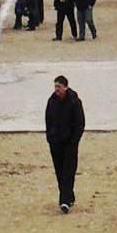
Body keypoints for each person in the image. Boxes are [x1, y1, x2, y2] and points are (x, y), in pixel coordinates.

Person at [45, 75, 85, 213]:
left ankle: (64, 201)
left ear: (65, 87)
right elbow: (48, 120)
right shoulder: (51, 101)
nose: (56, 89)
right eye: (55, 86)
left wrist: (74, 141)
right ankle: (69, 195)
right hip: (55, 142)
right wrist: (50, 137)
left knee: (69, 171)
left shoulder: (74, 101)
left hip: (70, 143)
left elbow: (80, 123)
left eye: (59, 87)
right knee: (59, 171)